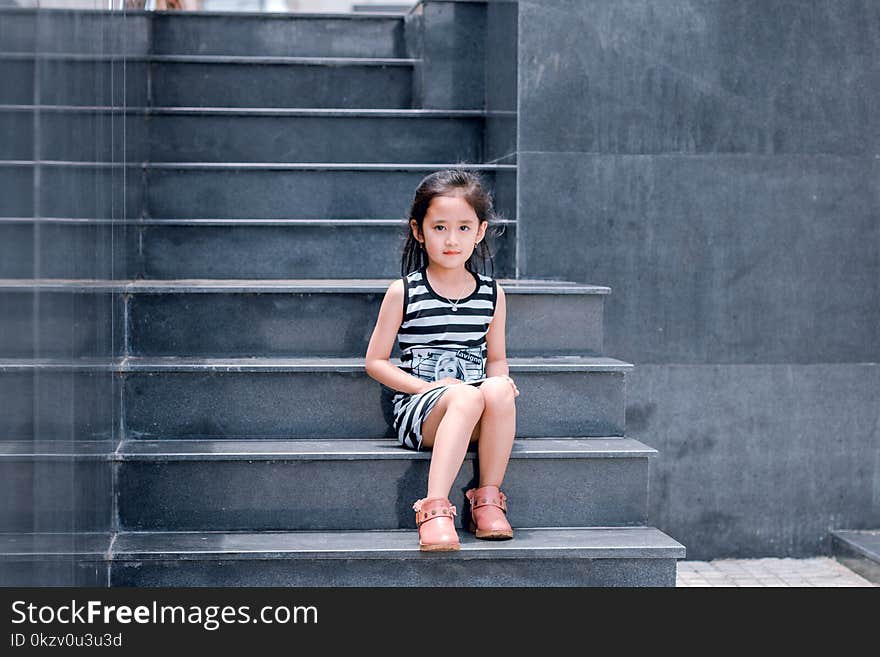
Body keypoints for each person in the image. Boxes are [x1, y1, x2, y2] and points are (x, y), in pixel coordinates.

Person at [365, 169, 520, 552]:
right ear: (419, 231)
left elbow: (496, 358)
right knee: (465, 397)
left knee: (496, 389)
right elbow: (376, 362)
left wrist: (502, 381)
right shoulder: (405, 291)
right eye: (440, 228)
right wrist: (430, 387)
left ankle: (487, 499)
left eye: (464, 228)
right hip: (424, 410)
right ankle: (434, 508)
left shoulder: (491, 294)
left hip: (474, 404)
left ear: (480, 231)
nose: (452, 240)